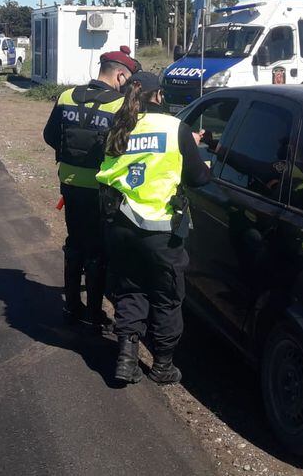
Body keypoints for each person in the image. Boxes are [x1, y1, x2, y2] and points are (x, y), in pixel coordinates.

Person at [96, 71, 211, 385]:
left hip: (120, 223)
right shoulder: (176, 128)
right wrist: (199, 155)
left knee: (130, 289)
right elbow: (198, 179)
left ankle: (125, 358)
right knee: (166, 295)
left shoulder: (116, 126)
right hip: (161, 229)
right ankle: (162, 366)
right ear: (158, 95)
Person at [42, 45, 140, 330]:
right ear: (120, 76)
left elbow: (49, 135)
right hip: (101, 188)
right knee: (97, 250)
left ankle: (72, 306)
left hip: (70, 183)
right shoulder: (119, 105)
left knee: (74, 243)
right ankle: (94, 313)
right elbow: (125, 148)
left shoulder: (66, 96)